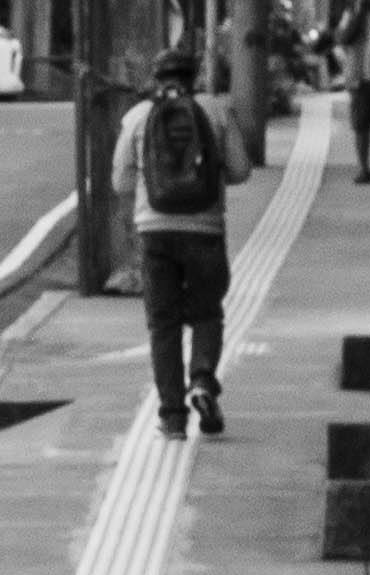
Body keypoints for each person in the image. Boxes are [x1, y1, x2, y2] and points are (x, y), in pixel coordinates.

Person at [109, 49, 250, 439]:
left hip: (154, 233)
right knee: (207, 312)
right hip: (206, 230)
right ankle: (202, 380)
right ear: (196, 76)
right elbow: (241, 170)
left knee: (163, 324)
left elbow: (119, 183)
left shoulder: (138, 117)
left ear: (157, 79)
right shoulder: (216, 111)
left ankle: (172, 417)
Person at [320, 0, 370, 183]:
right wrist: (359, 14)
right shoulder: (353, 13)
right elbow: (342, 37)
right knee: (361, 124)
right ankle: (363, 169)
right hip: (359, 76)